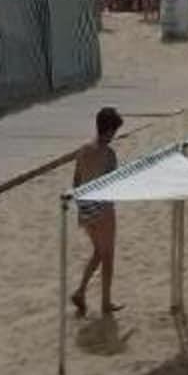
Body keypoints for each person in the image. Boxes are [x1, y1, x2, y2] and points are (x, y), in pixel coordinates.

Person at [69, 107, 125, 316]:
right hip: (102, 209)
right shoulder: (108, 154)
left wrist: (83, 206)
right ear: (109, 130)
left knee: (98, 253)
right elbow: (112, 184)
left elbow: (76, 181)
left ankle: (81, 292)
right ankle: (106, 302)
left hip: (85, 208)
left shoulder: (83, 150)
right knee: (107, 256)